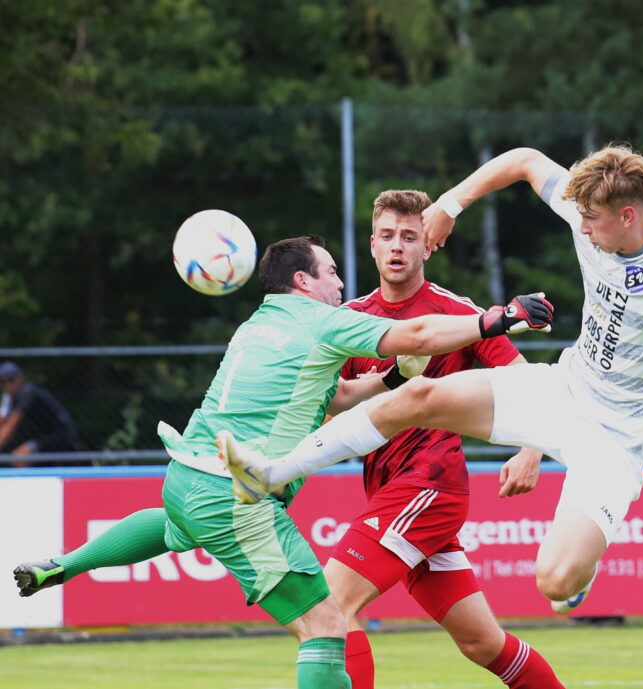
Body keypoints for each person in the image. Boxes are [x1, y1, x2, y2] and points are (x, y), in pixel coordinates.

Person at [223, 145, 643, 614]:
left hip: (619, 437)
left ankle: (577, 579)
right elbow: (522, 160)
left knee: (553, 580)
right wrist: (449, 206)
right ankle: (270, 473)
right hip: (563, 391)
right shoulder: (588, 209)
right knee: (419, 393)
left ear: (629, 214)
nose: (583, 230)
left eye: (593, 222)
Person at [13, 234, 552, 689]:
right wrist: (499, 318)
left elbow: (334, 397)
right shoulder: (325, 322)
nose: (341, 285)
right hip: (236, 496)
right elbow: (417, 333)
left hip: (186, 477)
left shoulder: (256, 326)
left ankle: (66, 564)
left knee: (175, 527)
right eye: (332, 273)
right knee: (326, 624)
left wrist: (392, 378)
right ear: (303, 282)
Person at [329, 190, 563, 688]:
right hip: (389, 490)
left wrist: (531, 449)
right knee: (483, 643)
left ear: (426, 247)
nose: (397, 247)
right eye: (388, 237)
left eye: (409, 237)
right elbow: (333, 400)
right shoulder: (349, 321)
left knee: (331, 607)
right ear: (372, 245)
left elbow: (527, 381)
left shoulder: (453, 312)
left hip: (429, 485)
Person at [0, 361, 82, 466]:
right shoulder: (9, 397)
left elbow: (10, 426)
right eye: (3, 381)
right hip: (44, 436)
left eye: (11, 380)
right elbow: (2, 421)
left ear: (20, 378)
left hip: (62, 435)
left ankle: (28, 483)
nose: (8, 384)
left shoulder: (27, 393)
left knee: (19, 457)